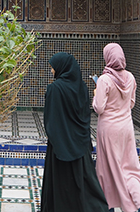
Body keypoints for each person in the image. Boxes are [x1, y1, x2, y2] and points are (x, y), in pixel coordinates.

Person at [40, 52, 109, 212]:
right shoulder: (82, 87)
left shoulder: (54, 88)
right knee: (83, 181)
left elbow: (50, 118)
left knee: (60, 182)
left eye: (52, 68)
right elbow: (85, 115)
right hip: (81, 142)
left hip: (60, 145)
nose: (51, 71)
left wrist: (56, 138)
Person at [92, 43, 140, 212]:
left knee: (108, 169)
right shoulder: (130, 77)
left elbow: (99, 108)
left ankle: (110, 207)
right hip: (126, 128)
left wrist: (96, 93)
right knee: (130, 168)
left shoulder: (104, 79)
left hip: (109, 130)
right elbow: (131, 104)